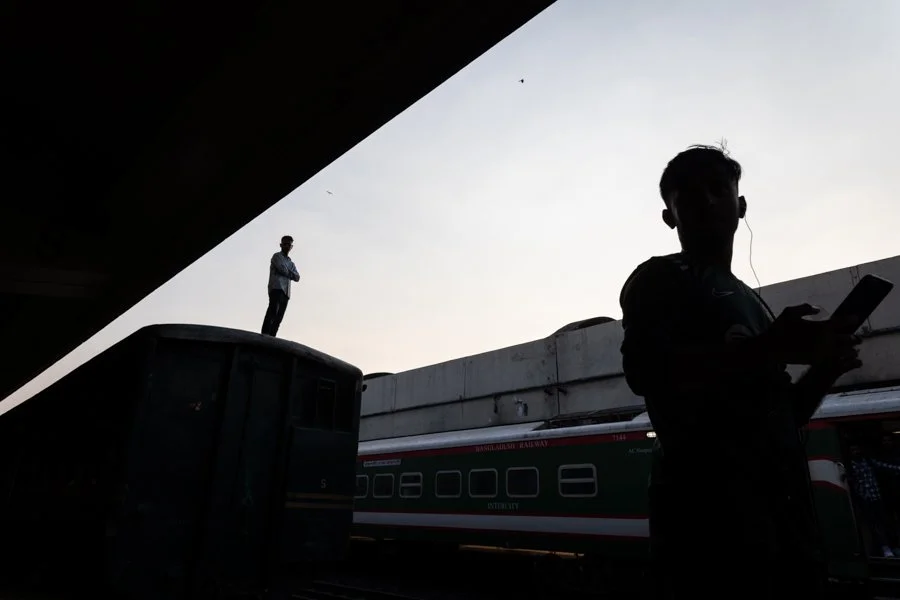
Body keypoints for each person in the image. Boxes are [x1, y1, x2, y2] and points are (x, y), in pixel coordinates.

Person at [618, 145, 862, 599]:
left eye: (718, 189)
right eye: (690, 196)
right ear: (670, 218)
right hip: (709, 536)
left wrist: (826, 368)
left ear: (741, 205)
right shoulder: (659, 278)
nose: (708, 202)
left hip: (786, 530)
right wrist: (771, 347)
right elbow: (646, 372)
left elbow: (784, 414)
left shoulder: (751, 301)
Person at [261, 235, 300, 337]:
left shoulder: (291, 263)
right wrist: (290, 273)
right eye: (285, 244)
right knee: (272, 312)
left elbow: (297, 277)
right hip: (276, 288)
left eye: (289, 244)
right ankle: (265, 335)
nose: (287, 246)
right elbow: (282, 269)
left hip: (286, 293)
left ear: (291, 247)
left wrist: (287, 271)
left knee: (279, 318)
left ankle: (272, 337)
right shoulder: (276, 256)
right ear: (281, 245)